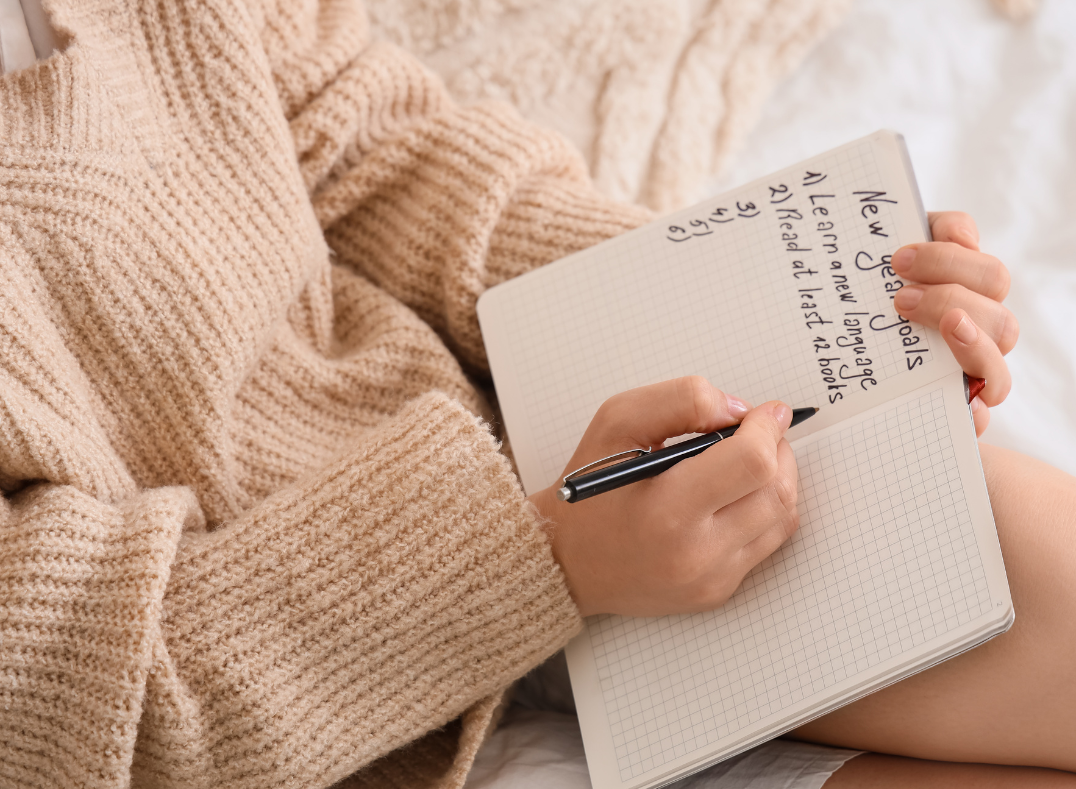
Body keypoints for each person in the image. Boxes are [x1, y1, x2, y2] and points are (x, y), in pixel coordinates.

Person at [0, 2, 1071, 789]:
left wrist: (786, 304)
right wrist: (541, 559)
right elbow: (74, 699)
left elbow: (381, 153)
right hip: (333, 707)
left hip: (547, 459)